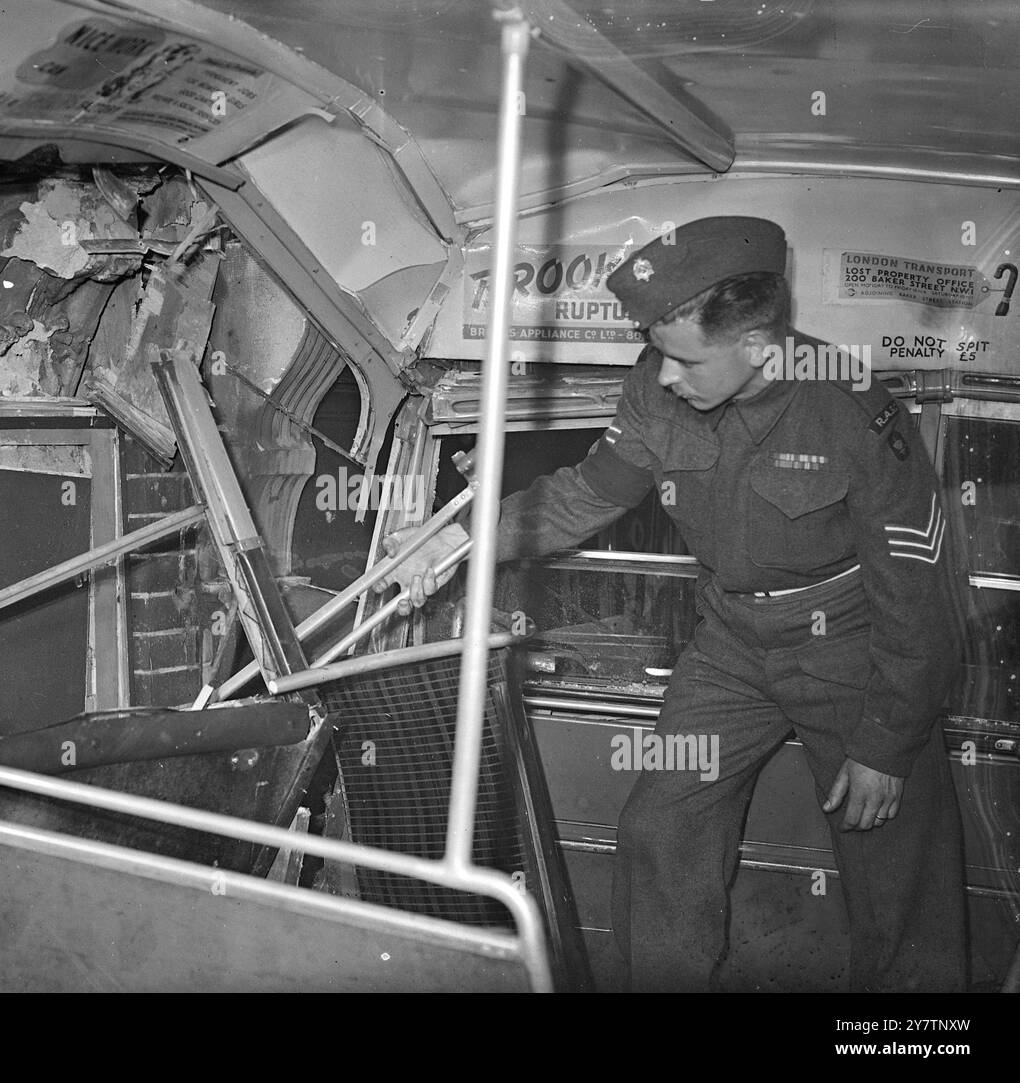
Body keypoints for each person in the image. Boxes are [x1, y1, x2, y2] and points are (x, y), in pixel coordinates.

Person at [376, 216, 968, 992]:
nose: (661, 375)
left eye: (682, 357)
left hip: (856, 644)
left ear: (758, 344)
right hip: (731, 643)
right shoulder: (654, 390)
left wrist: (886, 744)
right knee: (662, 823)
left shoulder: (854, 409)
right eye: (655, 351)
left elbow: (918, 598)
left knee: (898, 865)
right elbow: (583, 496)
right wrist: (456, 539)